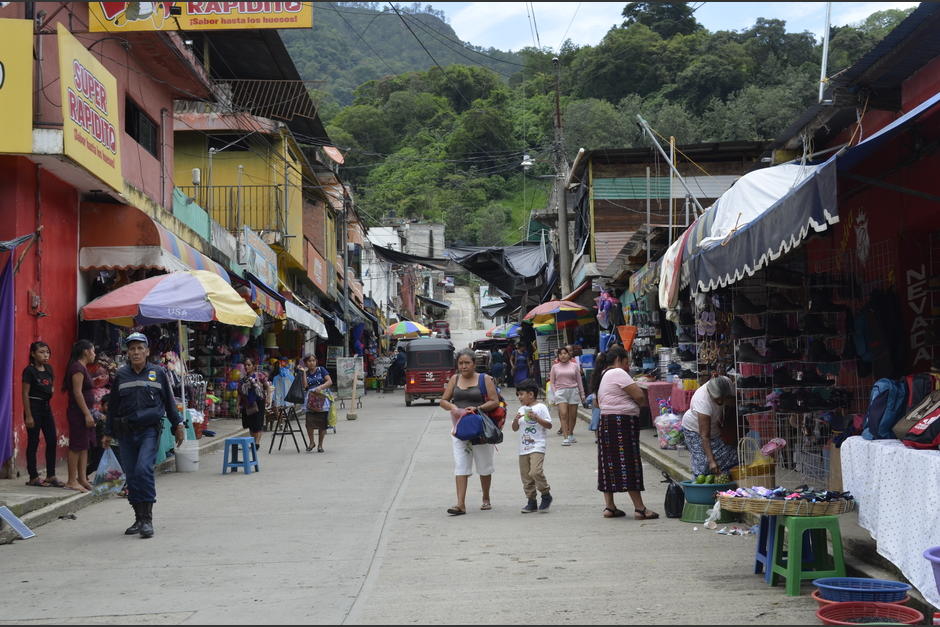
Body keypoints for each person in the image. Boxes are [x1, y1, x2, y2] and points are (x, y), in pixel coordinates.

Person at [102, 332, 183, 539]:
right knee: (131, 474)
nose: (136, 352)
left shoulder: (158, 373)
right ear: (127, 352)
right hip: (126, 432)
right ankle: (138, 517)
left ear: (147, 351)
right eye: (132, 349)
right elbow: (113, 408)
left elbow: (169, 402)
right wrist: (107, 432)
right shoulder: (121, 375)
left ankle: (147, 519)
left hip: (149, 430)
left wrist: (178, 425)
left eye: (140, 348)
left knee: (143, 469)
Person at [596, 345, 659, 520]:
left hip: (607, 421)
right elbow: (639, 396)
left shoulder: (604, 374)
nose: (628, 367)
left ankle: (610, 507)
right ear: (620, 360)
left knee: (608, 463)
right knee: (629, 463)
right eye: (627, 362)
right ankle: (640, 509)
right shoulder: (618, 373)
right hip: (621, 422)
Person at [439, 348, 500, 516]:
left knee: (484, 465)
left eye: (467, 363)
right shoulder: (454, 379)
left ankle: (486, 498)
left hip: (481, 430)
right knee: (460, 465)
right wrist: (453, 407)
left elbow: (495, 401)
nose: (464, 366)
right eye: (460, 363)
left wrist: (478, 408)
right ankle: (460, 504)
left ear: (474, 364)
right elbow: (443, 400)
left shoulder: (485, 379)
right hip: (460, 430)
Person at [21, 341, 63, 488]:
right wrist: (28, 415)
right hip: (33, 406)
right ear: (33, 354)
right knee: (34, 441)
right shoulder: (29, 371)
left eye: (47, 352)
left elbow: (51, 386)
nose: (45, 355)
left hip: (46, 407)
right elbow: (25, 393)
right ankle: (33, 476)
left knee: (52, 439)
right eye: (41, 352)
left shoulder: (49, 369)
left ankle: (51, 475)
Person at [681, 376, 738, 477]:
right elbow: (704, 436)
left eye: (723, 398)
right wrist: (711, 461)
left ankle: (724, 485)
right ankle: (696, 490)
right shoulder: (702, 400)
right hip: (694, 429)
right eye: (717, 399)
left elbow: (733, 400)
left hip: (714, 429)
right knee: (703, 464)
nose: (720, 402)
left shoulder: (726, 383)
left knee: (732, 455)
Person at [511, 378, 553, 513]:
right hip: (523, 447)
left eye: (521, 394)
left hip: (537, 445)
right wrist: (516, 420)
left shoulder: (541, 407)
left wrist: (537, 418)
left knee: (535, 471)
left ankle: (545, 494)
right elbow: (514, 428)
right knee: (526, 477)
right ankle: (531, 501)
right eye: (518, 394)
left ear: (531, 394)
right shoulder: (522, 409)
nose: (519, 397)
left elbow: (549, 425)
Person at [63, 340, 97, 493]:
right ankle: (71, 480)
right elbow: (77, 392)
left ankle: (82, 478)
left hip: (84, 412)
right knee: (77, 446)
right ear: (85, 352)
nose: (94, 354)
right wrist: (87, 413)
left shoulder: (83, 368)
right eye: (93, 351)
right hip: (78, 413)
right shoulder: (77, 367)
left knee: (84, 446)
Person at [550, 347, 586, 446]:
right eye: (560, 354)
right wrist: (555, 393)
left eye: (565, 353)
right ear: (558, 356)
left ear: (569, 355)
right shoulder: (555, 367)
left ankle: (570, 434)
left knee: (573, 416)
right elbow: (552, 382)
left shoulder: (574, 366)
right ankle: (565, 437)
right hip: (560, 392)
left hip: (573, 391)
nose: (563, 355)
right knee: (564, 414)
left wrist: (582, 394)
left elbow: (579, 381)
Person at [299, 354, 333, 453]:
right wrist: (304, 373)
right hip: (310, 399)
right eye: (309, 361)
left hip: (322, 398)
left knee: (322, 423)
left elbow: (329, 381)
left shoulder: (321, 369)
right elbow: (305, 386)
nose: (311, 363)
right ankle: (311, 442)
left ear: (316, 361)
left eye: (313, 360)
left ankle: (320, 445)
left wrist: (321, 387)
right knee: (309, 422)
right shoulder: (305, 373)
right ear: (305, 363)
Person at [238, 357, 270, 450]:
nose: (247, 367)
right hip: (247, 403)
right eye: (245, 365)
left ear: (253, 366)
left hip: (259, 402)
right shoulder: (243, 378)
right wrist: (237, 405)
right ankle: (253, 442)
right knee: (251, 424)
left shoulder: (259, 376)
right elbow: (239, 392)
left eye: (249, 365)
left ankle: (256, 443)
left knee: (258, 423)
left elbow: (267, 387)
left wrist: (268, 398)